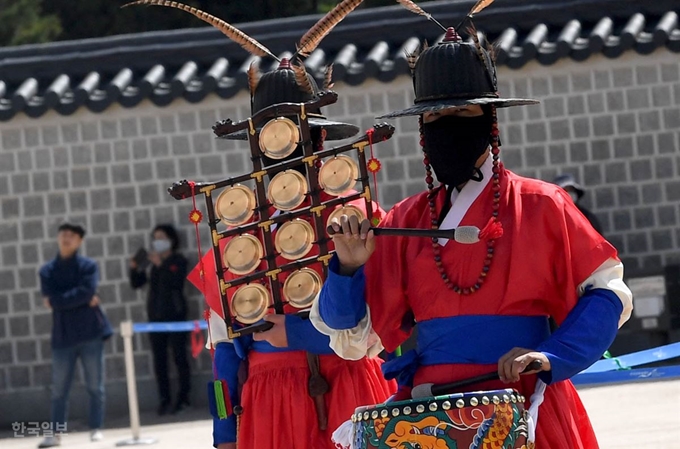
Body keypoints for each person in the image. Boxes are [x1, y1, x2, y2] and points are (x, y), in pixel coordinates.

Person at [310, 27, 633, 449]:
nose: (448, 127)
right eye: (435, 118)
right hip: (426, 418)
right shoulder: (405, 219)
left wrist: (551, 355)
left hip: (520, 396)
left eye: (462, 115)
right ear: (422, 129)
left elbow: (608, 293)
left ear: (490, 120)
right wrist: (347, 268)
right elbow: (347, 335)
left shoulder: (543, 204)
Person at [187, 58, 396, 449]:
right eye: (271, 137)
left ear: (317, 139)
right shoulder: (235, 244)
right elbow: (224, 356)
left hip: (355, 386)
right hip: (270, 402)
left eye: (296, 134)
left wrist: (299, 333)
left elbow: (389, 327)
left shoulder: (359, 219)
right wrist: (223, 433)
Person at [38, 223, 113, 448]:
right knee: (59, 390)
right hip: (62, 337)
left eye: (71, 235)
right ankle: (55, 433)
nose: (66, 238)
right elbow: (60, 299)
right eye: (63, 234)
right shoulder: (47, 271)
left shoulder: (88, 266)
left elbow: (85, 292)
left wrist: (60, 301)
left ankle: (96, 428)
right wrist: (80, 299)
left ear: (80, 240)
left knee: (95, 386)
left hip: (91, 333)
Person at [129, 224, 191, 415]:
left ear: (171, 240)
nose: (158, 241)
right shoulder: (153, 262)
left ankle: (183, 398)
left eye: (162, 237)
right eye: (155, 237)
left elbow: (176, 281)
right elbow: (137, 283)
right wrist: (135, 268)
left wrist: (161, 265)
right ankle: (164, 399)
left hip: (176, 316)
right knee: (160, 360)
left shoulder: (177, 260)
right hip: (155, 318)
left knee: (180, 357)